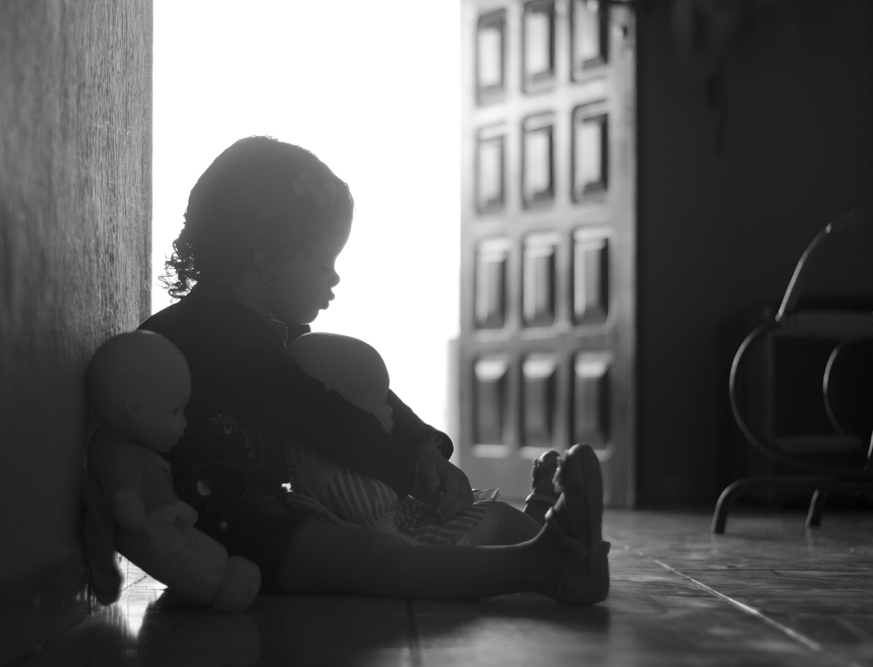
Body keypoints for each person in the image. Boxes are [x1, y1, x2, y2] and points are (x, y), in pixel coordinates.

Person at [139, 135, 609, 603]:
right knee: (380, 557)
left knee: (441, 526)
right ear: (266, 259)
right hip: (218, 526)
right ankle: (543, 564)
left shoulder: (273, 330)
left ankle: (547, 535)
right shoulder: (216, 333)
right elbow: (322, 416)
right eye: (324, 262)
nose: (335, 276)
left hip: (271, 507)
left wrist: (423, 445)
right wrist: (408, 472)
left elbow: (364, 394)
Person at [283, 331, 533, 546]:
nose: (392, 410)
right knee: (498, 519)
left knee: (496, 514)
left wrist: (426, 448)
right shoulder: (346, 481)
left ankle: (540, 531)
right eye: (382, 403)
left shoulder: (313, 458)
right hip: (418, 543)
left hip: (411, 525)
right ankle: (548, 545)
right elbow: (389, 543)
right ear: (351, 415)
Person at [85, 330, 261, 612]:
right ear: (135, 408)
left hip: (165, 518)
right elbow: (125, 501)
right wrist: (133, 512)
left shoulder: (133, 449)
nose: (183, 423)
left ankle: (222, 574)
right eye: (175, 411)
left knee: (205, 553)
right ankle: (215, 586)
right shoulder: (120, 455)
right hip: (149, 530)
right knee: (192, 568)